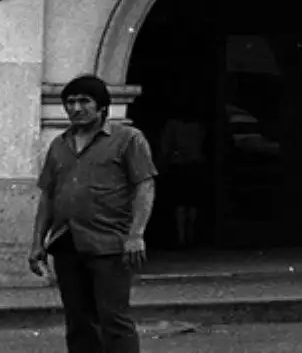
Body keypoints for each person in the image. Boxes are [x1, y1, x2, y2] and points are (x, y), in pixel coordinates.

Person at [29, 75, 158, 353]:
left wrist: (136, 234)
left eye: (84, 101)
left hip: (110, 243)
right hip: (66, 242)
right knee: (78, 322)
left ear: (102, 107)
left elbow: (144, 186)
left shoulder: (127, 139)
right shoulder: (59, 145)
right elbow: (48, 196)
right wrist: (37, 242)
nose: (76, 108)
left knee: (114, 319)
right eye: (70, 102)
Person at [158, 109, 209, 248]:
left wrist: (163, 162)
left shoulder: (173, 125)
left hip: (180, 164)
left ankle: (182, 237)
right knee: (191, 202)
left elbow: (166, 146)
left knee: (181, 202)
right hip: (193, 164)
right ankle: (189, 236)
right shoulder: (198, 126)